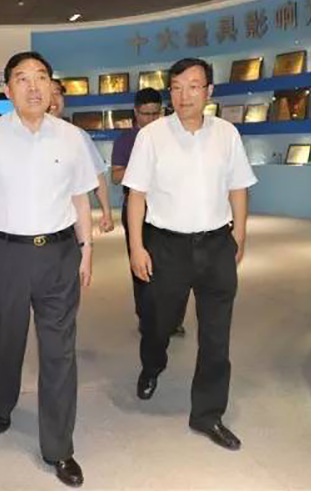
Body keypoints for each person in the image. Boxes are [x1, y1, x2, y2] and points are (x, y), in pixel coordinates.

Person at [0, 51, 96, 487]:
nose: (34, 87)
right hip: (4, 255)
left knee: (60, 352)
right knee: (5, 341)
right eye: (22, 78)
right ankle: (2, 402)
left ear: (52, 86)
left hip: (59, 254)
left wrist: (86, 249)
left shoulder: (71, 138)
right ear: (9, 89)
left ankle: (59, 448)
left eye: (41, 77)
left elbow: (80, 199)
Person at [123, 58, 256, 451]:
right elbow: (136, 196)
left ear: (209, 91)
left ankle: (207, 414)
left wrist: (239, 233)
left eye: (194, 86)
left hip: (216, 244)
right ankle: (152, 365)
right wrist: (136, 246)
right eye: (177, 87)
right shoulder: (152, 136)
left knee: (216, 335)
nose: (184, 95)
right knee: (158, 322)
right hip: (166, 246)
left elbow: (238, 187)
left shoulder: (227, 134)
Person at [111, 88, 189, 336]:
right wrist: (144, 167)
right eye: (146, 114)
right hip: (137, 210)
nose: (151, 119)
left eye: (156, 113)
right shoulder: (125, 140)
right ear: (136, 112)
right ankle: (146, 317)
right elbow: (116, 176)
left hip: (172, 208)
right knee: (141, 265)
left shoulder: (174, 136)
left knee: (177, 266)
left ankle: (174, 319)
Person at [50, 79, 114, 234]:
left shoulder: (77, 135)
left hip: (71, 221)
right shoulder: (24, 136)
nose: (53, 99)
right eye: (48, 93)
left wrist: (106, 211)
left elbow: (97, 173)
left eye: (57, 93)